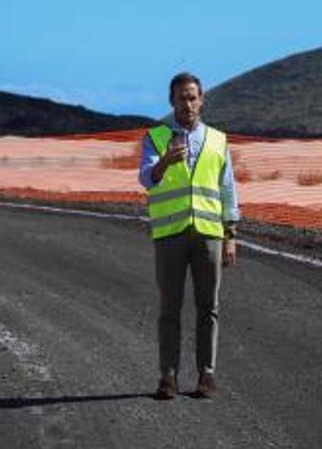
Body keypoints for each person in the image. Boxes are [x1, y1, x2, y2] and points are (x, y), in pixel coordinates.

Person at [138, 71, 240, 400]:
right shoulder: (155, 138)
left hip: (209, 234)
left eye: (193, 97)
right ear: (171, 102)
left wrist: (230, 234)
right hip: (170, 234)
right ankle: (167, 376)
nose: (188, 103)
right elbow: (146, 178)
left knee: (208, 306)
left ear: (202, 100)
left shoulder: (218, 140)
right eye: (182, 97)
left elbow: (227, 189)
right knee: (170, 308)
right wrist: (165, 161)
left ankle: (206, 375)